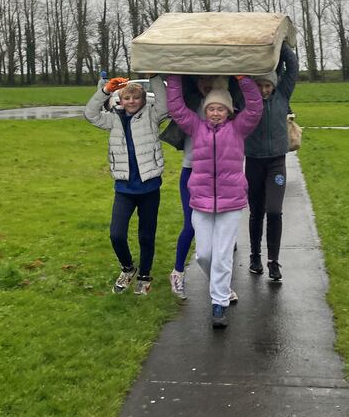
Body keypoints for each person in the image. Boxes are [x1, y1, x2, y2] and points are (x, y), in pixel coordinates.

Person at [167, 74, 262, 328]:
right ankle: (220, 286)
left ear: (229, 111)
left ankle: (218, 304)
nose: (216, 113)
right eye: (211, 108)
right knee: (203, 255)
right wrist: (174, 76)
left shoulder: (238, 128)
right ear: (205, 110)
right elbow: (176, 107)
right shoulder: (196, 128)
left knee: (221, 255)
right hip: (201, 202)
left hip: (230, 204)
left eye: (221, 108)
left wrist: (243, 78)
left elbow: (255, 107)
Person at [84, 73, 168, 295]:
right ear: (120, 99)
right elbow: (90, 114)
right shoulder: (113, 118)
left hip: (149, 187)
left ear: (142, 100)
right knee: (116, 234)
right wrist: (105, 90)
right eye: (127, 98)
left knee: (146, 235)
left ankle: (145, 274)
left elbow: (165, 104)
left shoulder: (152, 116)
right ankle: (128, 268)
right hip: (124, 189)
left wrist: (155, 77)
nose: (131, 102)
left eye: (136, 98)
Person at [169, 75, 230, 300]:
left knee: (220, 234)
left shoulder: (227, 111)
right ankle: (177, 273)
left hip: (219, 178)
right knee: (191, 226)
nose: (207, 84)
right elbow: (173, 101)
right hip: (192, 172)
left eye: (212, 80)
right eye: (202, 80)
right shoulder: (192, 108)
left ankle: (220, 284)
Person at [244, 42, 299, 282]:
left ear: (274, 84)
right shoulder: (246, 99)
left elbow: (293, 65)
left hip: (276, 162)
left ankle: (273, 262)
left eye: (267, 85)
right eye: (260, 85)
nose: (264, 90)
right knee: (256, 212)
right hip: (253, 161)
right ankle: (255, 256)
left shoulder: (282, 93)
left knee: (274, 211)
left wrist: (282, 44)